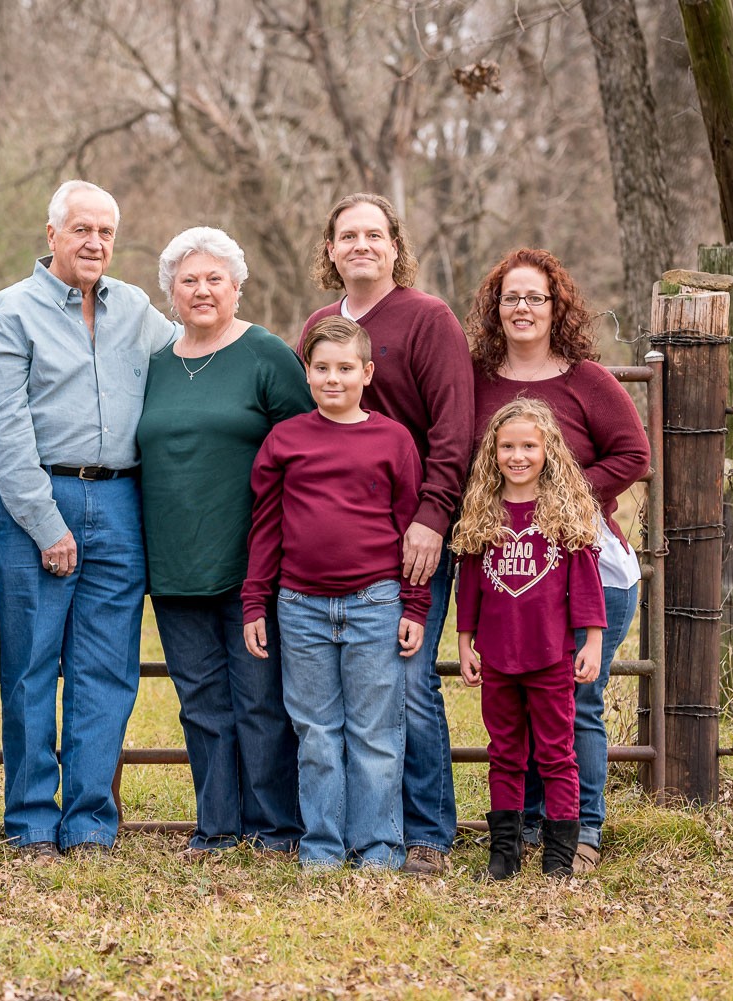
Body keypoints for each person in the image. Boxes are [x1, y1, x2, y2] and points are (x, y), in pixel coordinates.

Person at [0, 180, 175, 857]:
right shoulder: (10, 312)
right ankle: (30, 819)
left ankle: (90, 820)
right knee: (30, 665)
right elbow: (1, 430)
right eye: (81, 230)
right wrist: (43, 522)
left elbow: (193, 355)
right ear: (52, 235)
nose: (94, 243)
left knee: (107, 668)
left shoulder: (137, 309)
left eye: (105, 233)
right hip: (38, 499)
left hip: (121, 501)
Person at [303, 193, 473, 875]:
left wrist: (434, 516)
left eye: (375, 234)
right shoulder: (320, 324)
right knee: (349, 690)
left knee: (407, 679)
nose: (362, 245)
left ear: (395, 246)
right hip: (340, 542)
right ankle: (360, 826)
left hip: (412, 533)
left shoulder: (429, 319)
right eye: (349, 235)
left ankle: (428, 828)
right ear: (331, 250)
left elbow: (456, 428)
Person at [465, 248, 650, 873]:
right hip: (509, 572)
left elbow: (633, 457)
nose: (521, 308)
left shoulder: (587, 380)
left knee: (580, 702)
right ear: (495, 307)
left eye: (535, 298)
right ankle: (533, 829)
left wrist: (558, 498)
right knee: (521, 710)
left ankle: (583, 835)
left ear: (556, 307)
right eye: (510, 297)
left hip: (586, 567)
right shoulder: (477, 380)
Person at [137, 227, 308, 854]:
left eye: (215, 279)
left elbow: (306, 451)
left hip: (252, 561)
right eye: (189, 281)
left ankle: (275, 826)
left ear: (237, 286)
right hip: (174, 562)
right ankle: (217, 826)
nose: (202, 290)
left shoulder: (265, 355)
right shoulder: (153, 365)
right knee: (201, 702)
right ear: (171, 293)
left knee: (260, 699)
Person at [241, 317, 429, 869]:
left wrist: (414, 605)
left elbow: (408, 530)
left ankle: (377, 848)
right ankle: (322, 848)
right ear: (307, 372)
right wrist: (256, 600)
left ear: (367, 373)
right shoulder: (287, 439)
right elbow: (266, 527)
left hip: (375, 602)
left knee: (375, 732)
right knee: (316, 733)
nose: (333, 379)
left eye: (345, 368)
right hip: (299, 607)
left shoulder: (392, 440)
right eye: (321, 368)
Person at [454, 398, 606, 880]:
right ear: (492, 452)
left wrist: (593, 641)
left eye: (528, 446)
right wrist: (464, 641)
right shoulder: (484, 513)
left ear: (548, 450)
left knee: (557, 754)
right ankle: (504, 854)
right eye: (506, 446)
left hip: (550, 657)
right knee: (504, 753)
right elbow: (471, 586)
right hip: (498, 656)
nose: (517, 456)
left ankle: (559, 858)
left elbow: (585, 585)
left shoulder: (561, 515)